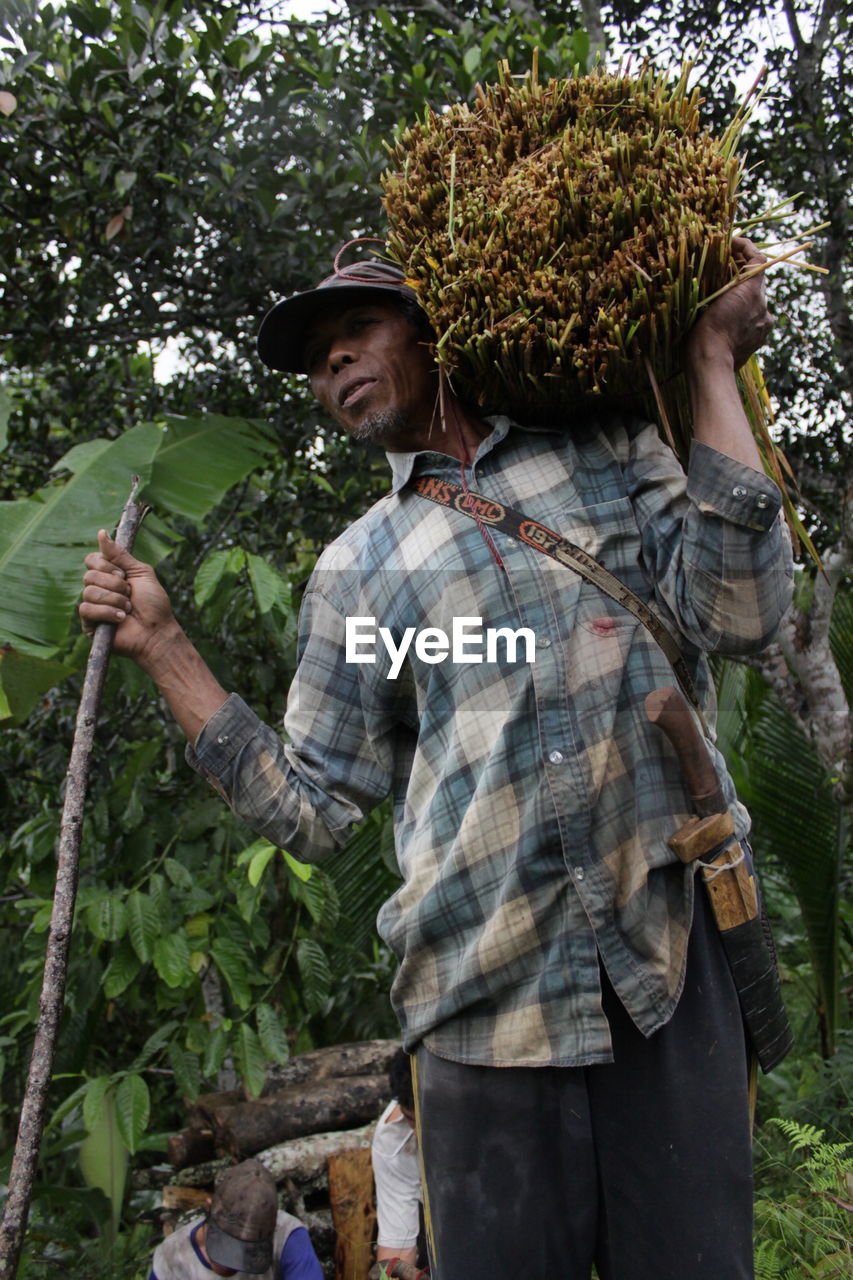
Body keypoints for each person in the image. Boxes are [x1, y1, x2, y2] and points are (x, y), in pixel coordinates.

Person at [81, 243, 793, 1280]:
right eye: (318, 361)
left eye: (352, 334)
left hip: (665, 966)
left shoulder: (601, 450)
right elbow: (316, 807)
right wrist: (164, 646)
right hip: (480, 1004)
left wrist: (712, 359)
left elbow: (740, 611)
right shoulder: (360, 573)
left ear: (426, 328)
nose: (332, 367)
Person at [149, 1158, 323, 1279]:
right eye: (228, 1242)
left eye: (249, 1247)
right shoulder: (173, 1256)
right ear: (208, 1208)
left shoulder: (287, 1236)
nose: (232, 1264)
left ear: (272, 1225)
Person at [371, 1048, 426, 1273]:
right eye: (412, 1120)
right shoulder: (394, 1140)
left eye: (428, 1121)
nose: (420, 1133)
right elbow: (398, 1247)